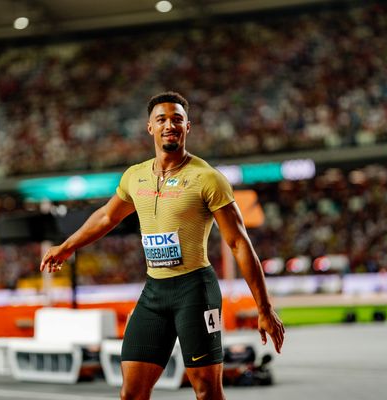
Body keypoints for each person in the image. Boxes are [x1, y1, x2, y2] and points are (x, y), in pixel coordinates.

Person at [40, 91, 285, 399]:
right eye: (162, 119)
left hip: (195, 292)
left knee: (207, 391)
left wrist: (264, 307)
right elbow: (106, 217)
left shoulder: (207, 178)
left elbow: (238, 243)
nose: (170, 125)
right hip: (154, 293)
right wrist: (67, 246)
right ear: (150, 127)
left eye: (177, 119)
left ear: (187, 127)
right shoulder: (135, 176)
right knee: (131, 393)